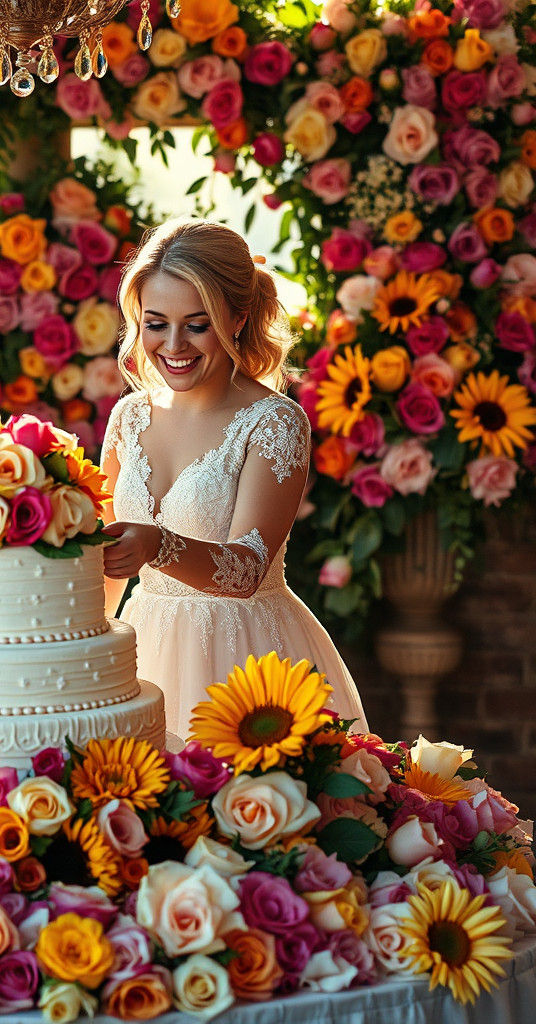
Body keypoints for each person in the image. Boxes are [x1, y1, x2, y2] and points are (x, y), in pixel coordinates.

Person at [100, 218, 367, 738]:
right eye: (155, 323)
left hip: (248, 661)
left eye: (197, 325)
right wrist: (77, 646)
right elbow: (108, 564)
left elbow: (244, 571)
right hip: (143, 646)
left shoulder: (273, 422)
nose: (174, 345)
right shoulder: (128, 417)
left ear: (238, 318)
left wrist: (158, 545)